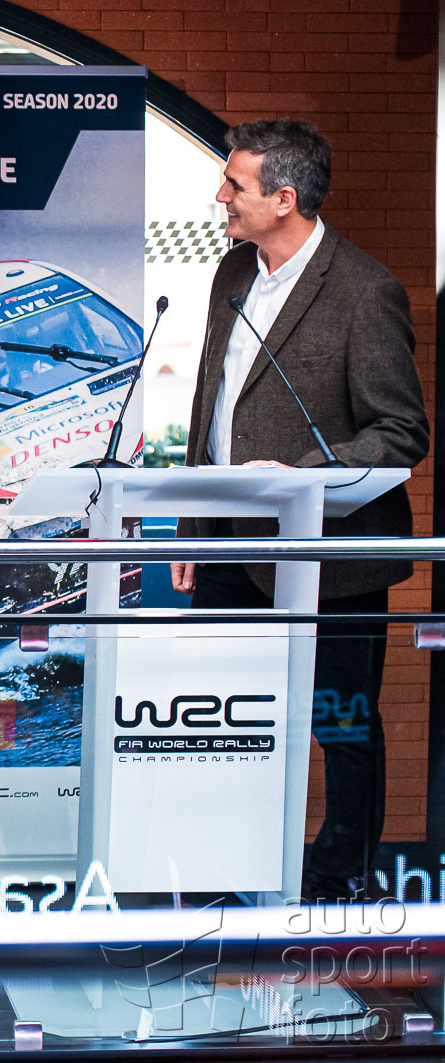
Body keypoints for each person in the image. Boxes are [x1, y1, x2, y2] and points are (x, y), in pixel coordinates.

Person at [171, 119, 430, 902]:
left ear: (283, 198)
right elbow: (210, 406)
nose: (219, 195)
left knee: (340, 724)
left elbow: (400, 431)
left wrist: (300, 475)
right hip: (229, 549)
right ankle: (223, 874)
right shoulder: (230, 271)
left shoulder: (363, 289)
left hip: (331, 556)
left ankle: (340, 879)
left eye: (235, 184)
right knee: (219, 720)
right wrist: (193, 525)